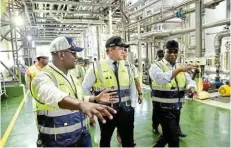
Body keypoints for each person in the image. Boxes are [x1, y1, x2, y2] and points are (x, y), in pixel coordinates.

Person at [31, 36, 117, 147]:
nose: (76, 57)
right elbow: (53, 95)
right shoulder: (42, 77)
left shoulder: (71, 75)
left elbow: (78, 98)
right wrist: (82, 105)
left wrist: (94, 99)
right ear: (61, 54)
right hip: (58, 141)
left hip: (82, 135)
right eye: (73, 53)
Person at [82, 36, 137, 147]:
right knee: (105, 139)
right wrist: (92, 107)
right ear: (111, 50)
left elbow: (132, 86)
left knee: (128, 140)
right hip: (106, 111)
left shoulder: (128, 65)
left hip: (126, 111)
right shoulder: (96, 66)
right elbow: (85, 88)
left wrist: (133, 106)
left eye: (124, 49)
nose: (124, 51)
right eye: (121, 48)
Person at [149, 40, 198, 147]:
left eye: (175, 51)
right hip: (162, 108)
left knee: (168, 134)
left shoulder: (180, 67)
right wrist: (179, 69)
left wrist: (192, 88)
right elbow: (161, 79)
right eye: (169, 51)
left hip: (176, 107)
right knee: (173, 138)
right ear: (164, 51)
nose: (172, 54)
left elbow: (189, 80)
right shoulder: (156, 66)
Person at [116, 48, 143, 145]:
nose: (124, 54)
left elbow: (137, 81)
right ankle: (120, 134)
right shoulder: (115, 67)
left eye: (125, 52)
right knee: (120, 122)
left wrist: (140, 94)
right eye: (121, 52)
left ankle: (130, 139)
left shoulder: (132, 67)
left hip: (131, 100)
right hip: (118, 100)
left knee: (130, 122)